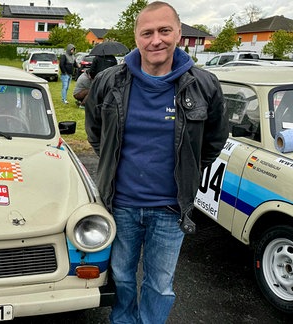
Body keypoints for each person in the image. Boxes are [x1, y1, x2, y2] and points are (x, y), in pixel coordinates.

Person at [84, 2, 228, 323]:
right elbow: (95, 132)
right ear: (136, 37)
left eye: (164, 30)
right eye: (147, 33)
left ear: (178, 32)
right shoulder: (109, 81)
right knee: (121, 276)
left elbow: (214, 139)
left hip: (171, 208)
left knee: (160, 285)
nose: (156, 40)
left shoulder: (203, 84)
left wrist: (189, 170)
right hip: (120, 204)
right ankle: (123, 320)